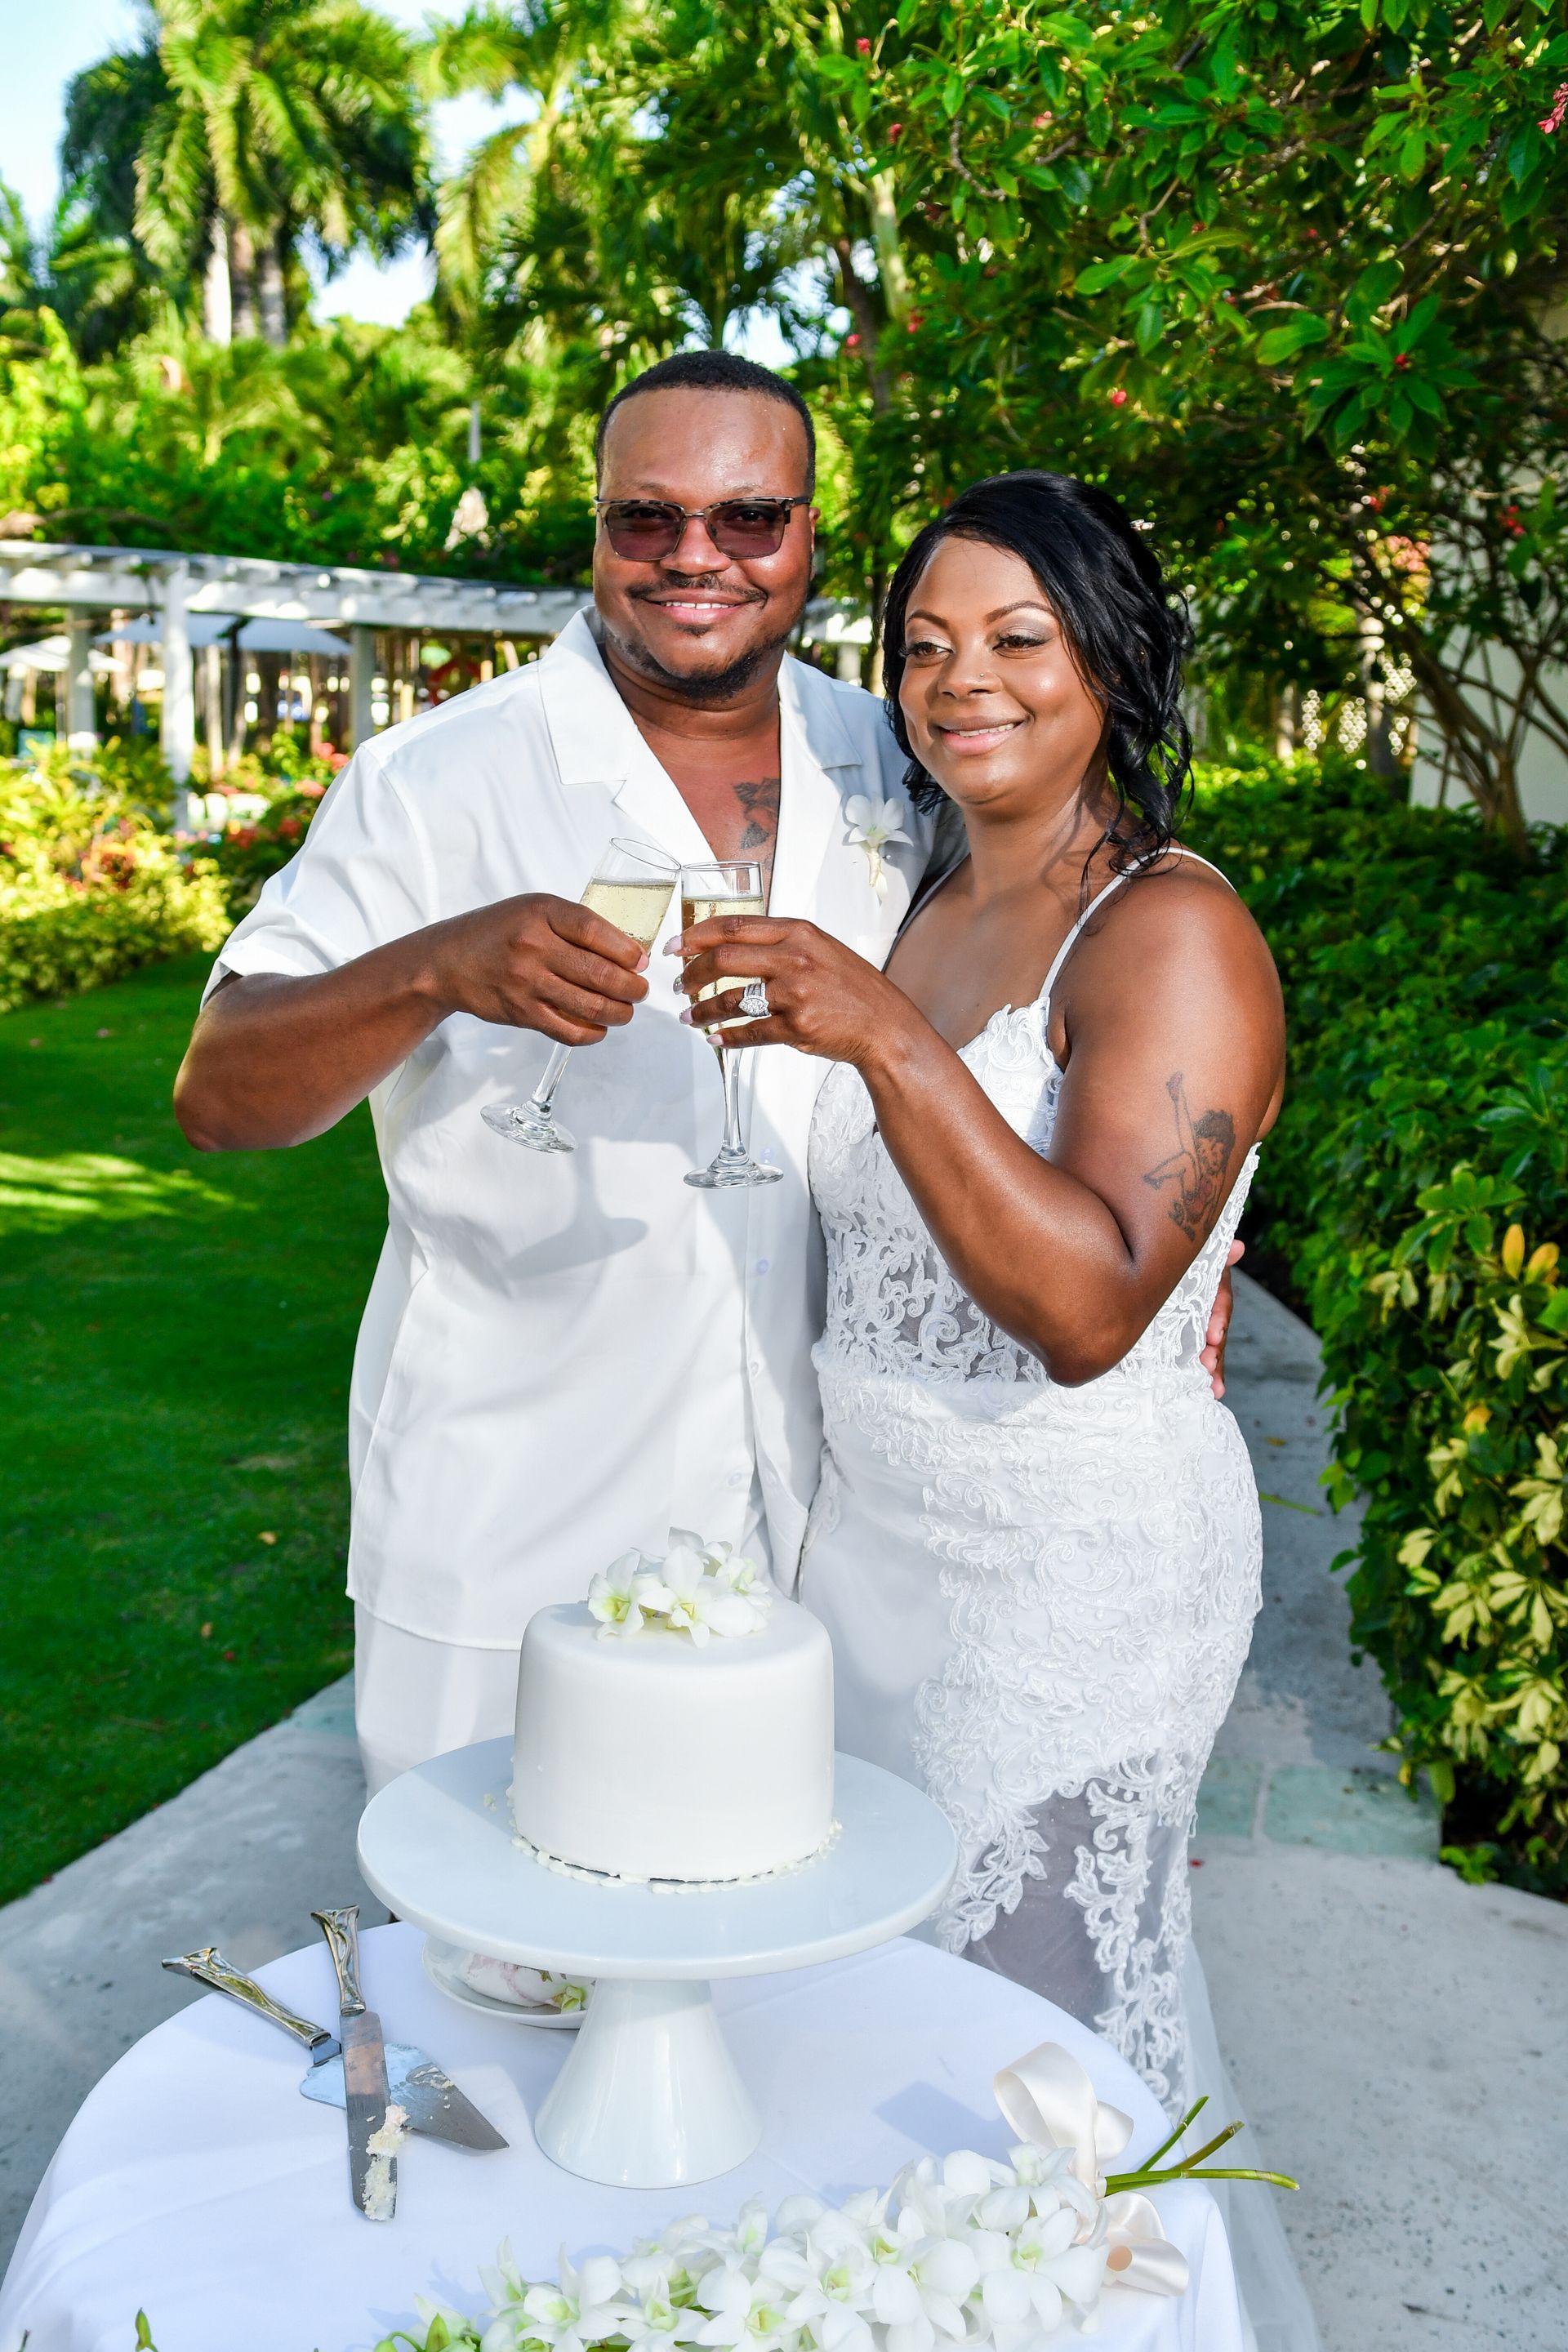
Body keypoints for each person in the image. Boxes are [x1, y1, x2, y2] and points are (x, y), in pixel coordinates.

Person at [172, 350, 934, 1796]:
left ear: (811, 536)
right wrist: (433, 968)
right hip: (515, 1525)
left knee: (766, 1971)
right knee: (490, 1981)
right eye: (646, 518)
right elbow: (219, 1096)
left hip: (822, 1523)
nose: (695, 556)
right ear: (595, 528)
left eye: (747, 518)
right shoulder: (437, 781)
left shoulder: (890, 762)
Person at [671, 470, 1284, 2114]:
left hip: (1070, 1583)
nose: (962, 681)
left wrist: (879, 1034)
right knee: (872, 2025)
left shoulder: (1172, 932)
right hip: (874, 1566)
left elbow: (1088, 1311)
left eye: (1020, 637)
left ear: (1113, 660)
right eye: (925, 644)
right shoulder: (927, 897)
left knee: (1032, 2060)